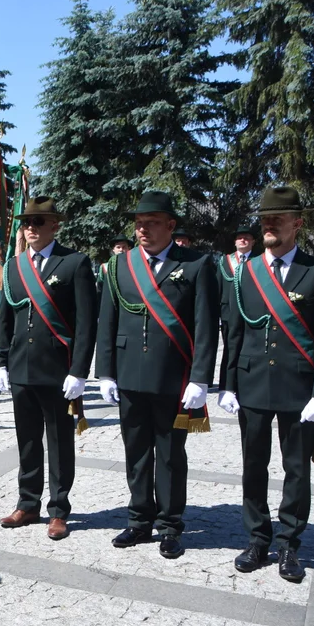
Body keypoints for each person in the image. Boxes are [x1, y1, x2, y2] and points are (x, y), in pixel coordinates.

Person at [219, 187, 314, 583]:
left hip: (297, 387)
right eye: (265, 218)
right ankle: (257, 538)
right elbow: (233, 333)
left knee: (296, 470)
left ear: (297, 223)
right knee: (253, 465)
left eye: (278, 218)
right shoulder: (246, 272)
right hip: (252, 381)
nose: (268, 224)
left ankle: (289, 542)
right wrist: (228, 384)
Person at [97, 191, 217, 559]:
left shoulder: (196, 264)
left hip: (173, 378)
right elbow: (108, 320)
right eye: (138, 223)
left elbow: (206, 325)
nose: (142, 229)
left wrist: (200, 378)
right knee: (135, 452)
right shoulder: (120, 266)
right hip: (129, 375)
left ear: (170, 225)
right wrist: (105, 372)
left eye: (150, 222)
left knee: (168, 454)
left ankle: (169, 524)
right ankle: (138, 519)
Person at [0, 197, 97, 540]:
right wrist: (1, 362)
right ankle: (28, 503)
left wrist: (79, 371)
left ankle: (59, 510)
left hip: (57, 370)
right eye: (27, 223)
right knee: (27, 441)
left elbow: (85, 323)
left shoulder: (74, 263)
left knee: (59, 442)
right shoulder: (13, 267)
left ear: (55, 225)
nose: (31, 228)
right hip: (22, 368)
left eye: (39, 222)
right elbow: (5, 320)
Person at [217, 224, 258, 388]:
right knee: (229, 349)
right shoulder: (224, 261)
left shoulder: (258, 262)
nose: (243, 240)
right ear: (235, 241)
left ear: (253, 242)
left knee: (249, 350)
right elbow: (218, 288)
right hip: (228, 313)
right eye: (240, 237)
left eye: (247, 237)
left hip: (251, 314)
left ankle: (246, 382)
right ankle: (226, 384)